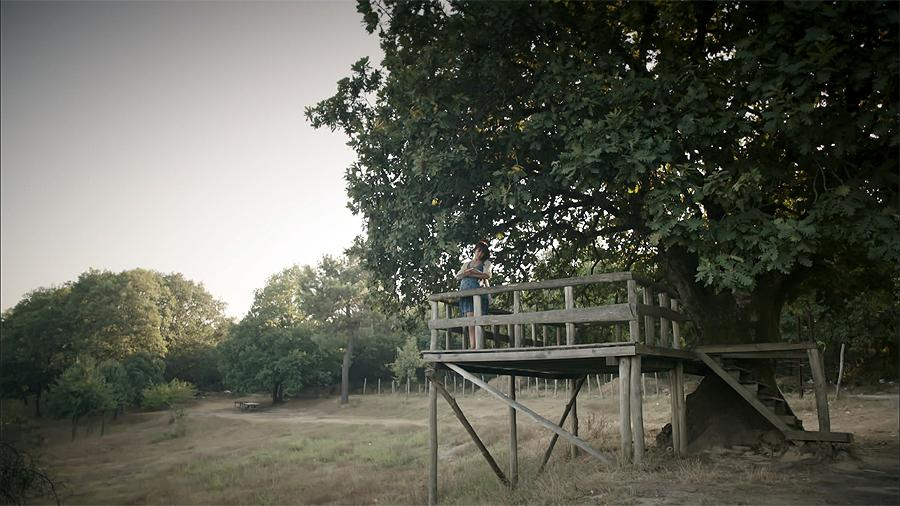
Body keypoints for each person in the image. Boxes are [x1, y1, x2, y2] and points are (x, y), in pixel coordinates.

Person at [455, 241, 492, 349]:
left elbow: (487, 275)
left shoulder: (486, 263)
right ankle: (473, 345)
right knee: (470, 320)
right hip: (465, 292)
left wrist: (473, 273)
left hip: (478, 293)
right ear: (475, 250)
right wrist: (466, 273)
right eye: (478, 251)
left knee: (478, 319)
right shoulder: (466, 264)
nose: (480, 254)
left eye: (482, 252)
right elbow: (458, 276)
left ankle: (478, 346)